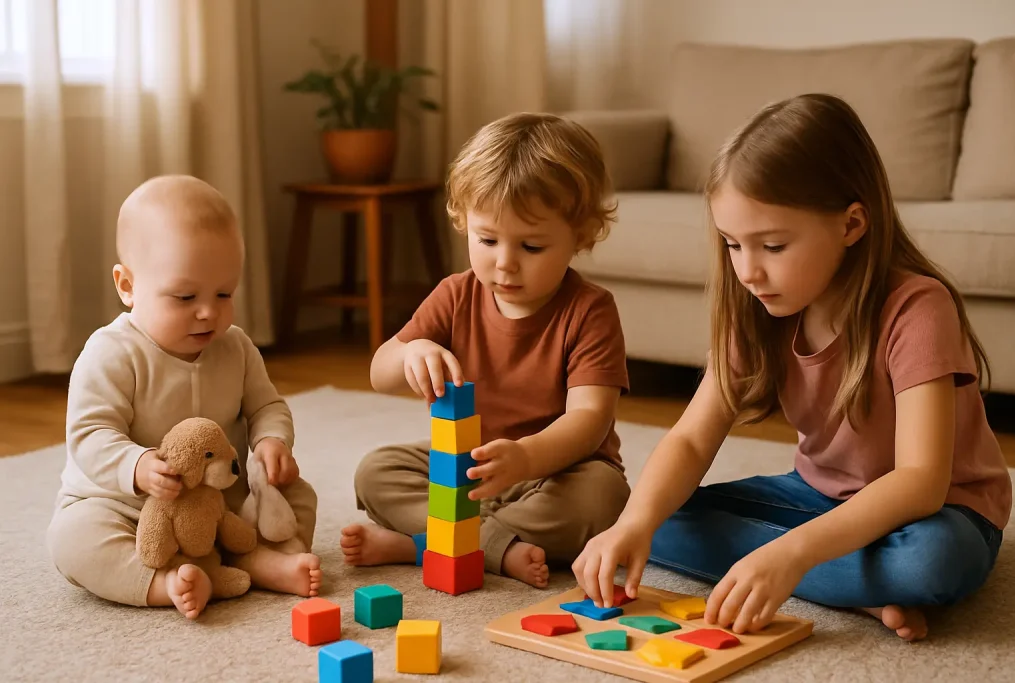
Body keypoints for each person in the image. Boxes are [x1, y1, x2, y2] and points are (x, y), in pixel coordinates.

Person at [572, 94, 1012, 642]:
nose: (748, 271)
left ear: (852, 224)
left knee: (931, 564)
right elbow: (689, 440)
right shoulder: (759, 307)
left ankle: (815, 571)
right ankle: (856, 587)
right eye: (733, 244)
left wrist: (791, 553)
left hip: (942, 512)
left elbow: (920, 482)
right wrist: (635, 524)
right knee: (642, 516)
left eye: (773, 245)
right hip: (815, 497)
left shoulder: (918, 308)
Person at [341, 112, 632, 588]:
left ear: (581, 236)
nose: (504, 263)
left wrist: (525, 459)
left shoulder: (590, 310)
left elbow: (589, 421)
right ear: (464, 223)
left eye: (532, 247)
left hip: (556, 472)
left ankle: (426, 543)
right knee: (376, 472)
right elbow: (380, 372)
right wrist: (410, 354)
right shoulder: (456, 294)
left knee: (604, 499)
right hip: (468, 466)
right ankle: (495, 545)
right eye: (487, 239)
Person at [46, 175, 321, 620]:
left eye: (224, 293)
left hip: (221, 505)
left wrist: (273, 442)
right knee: (72, 538)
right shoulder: (111, 353)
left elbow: (266, 407)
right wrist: (135, 466)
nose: (208, 311)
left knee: (297, 495)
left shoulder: (236, 347)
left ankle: (254, 559)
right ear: (127, 286)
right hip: (129, 509)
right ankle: (163, 581)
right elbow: (89, 433)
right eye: (185, 295)